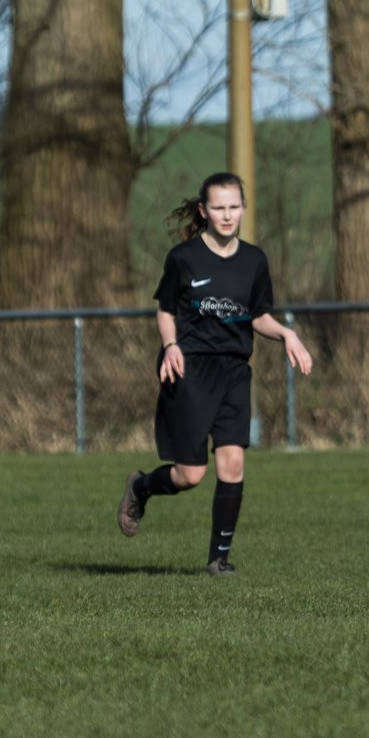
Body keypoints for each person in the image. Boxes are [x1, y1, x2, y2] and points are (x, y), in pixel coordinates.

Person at [118, 171, 312, 575]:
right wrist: (170, 346)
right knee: (191, 475)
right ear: (204, 211)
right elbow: (166, 309)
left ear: (243, 208)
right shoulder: (184, 258)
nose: (227, 215)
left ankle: (218, 560)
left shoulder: (254, 260)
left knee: (233, 466)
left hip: (235, 371)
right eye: (219, 208)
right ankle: (142, 486)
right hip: (189, 368)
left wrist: (286, 335)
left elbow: (258, 316)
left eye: (234, 207)